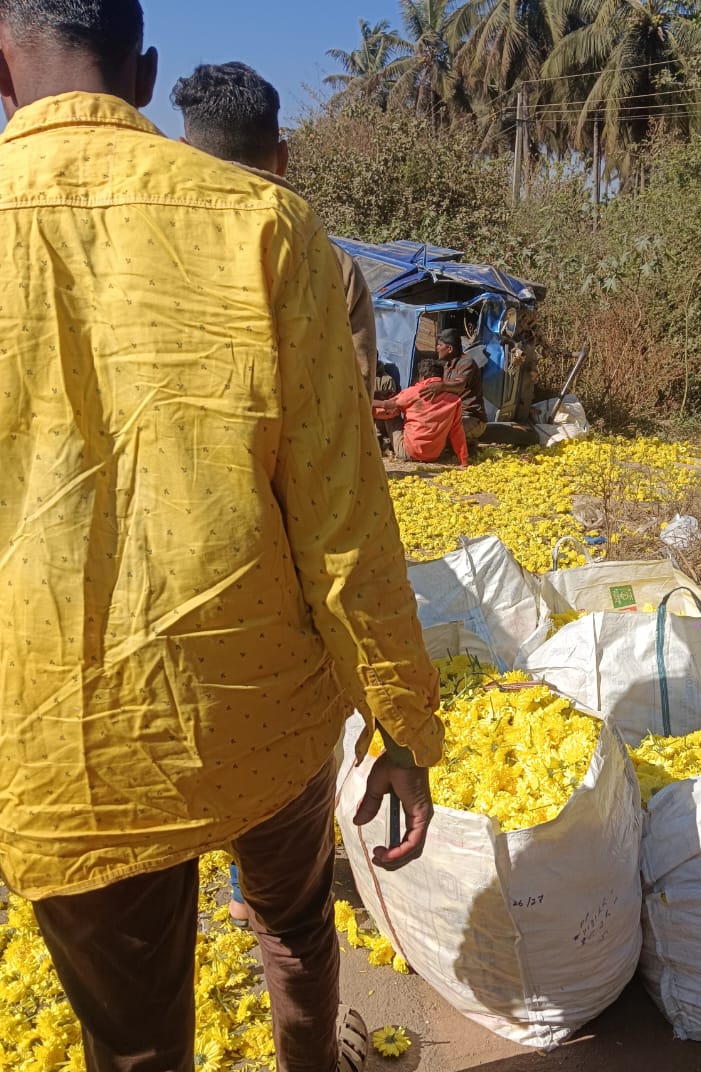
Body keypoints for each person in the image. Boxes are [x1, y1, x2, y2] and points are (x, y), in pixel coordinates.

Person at [0, 6, 443, 1072]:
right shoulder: (264, 223)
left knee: (136, 1065)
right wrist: (401, 722)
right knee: (296, 919)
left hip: (60, 734)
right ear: (142, 74)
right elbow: (343, 508)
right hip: (258, 700)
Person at [170, 60, 382, 925]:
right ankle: (272, 888)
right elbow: (346, 438)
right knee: (286, 737)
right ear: (284, 154)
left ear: (184, 150)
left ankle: (198, 867)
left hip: (159, 563)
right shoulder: (319, 258)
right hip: (285, 559)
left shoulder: (137, 250)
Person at [171, 60, 377, 400]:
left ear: (185, 152)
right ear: (282, 157)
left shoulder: (143, 241)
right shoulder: (333, 263)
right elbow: (356, 391)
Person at [373, 358, 468, 466]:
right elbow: (457, 432)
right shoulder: (454, 400)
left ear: (421, 377)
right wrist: (463, 460)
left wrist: (369, 404)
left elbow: (386, 408)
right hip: (434, 455)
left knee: (391, 413)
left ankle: (379, 443)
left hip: (408, 452)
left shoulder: (412, 392)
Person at [436, 326, 487, 442]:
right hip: (455, 416)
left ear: (449, 348)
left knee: (441, 435)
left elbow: (460, 385)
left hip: (472, 419)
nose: (437, 348)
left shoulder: (466, 362)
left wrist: (441, 386)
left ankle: (470, 444)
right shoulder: (447, 366)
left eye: (439, 345)